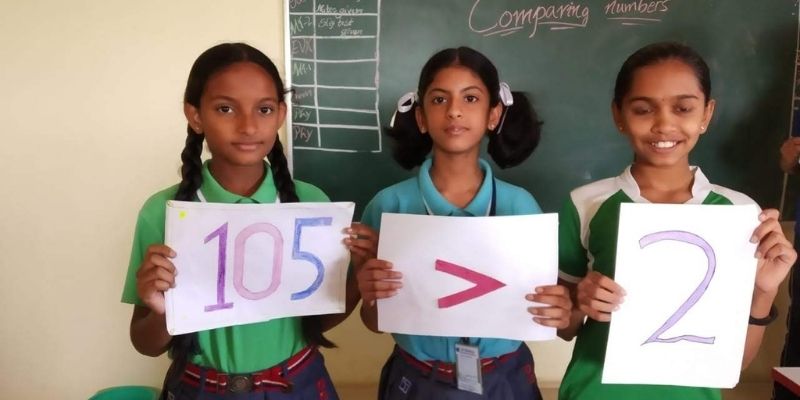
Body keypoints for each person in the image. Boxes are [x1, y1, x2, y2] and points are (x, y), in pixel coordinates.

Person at [121, 42, 368, 399]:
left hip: (297, 383)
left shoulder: (311, 203)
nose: (249, 126)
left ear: (280, 114)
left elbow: (317, 320)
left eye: (264, 109)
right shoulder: (162, 211)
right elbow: (145, 343)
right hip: (199, 388)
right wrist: (161, 311)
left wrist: (358, 278)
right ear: (195, 115)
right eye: (225, 108)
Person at [557, 41, 797, 400]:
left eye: (683, 108)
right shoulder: (586, 203)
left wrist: (764, 292)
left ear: (706, 114)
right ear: (618, 115)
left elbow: (735, 364)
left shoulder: (739, 213)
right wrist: (579, 301)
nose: (664, 124)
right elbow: (565, 328)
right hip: (595, 391)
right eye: (643, 109)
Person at [355, 46, 572, 399]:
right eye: (439, 99)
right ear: (421, 117)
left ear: (493, 114)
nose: (454, 110)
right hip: (417, 379)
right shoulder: (389, 206)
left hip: (504, 378)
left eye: (470, 98)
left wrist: (558, 308)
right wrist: (370, 295)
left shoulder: (520, 207)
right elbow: (375, 322)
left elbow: (543, 306)